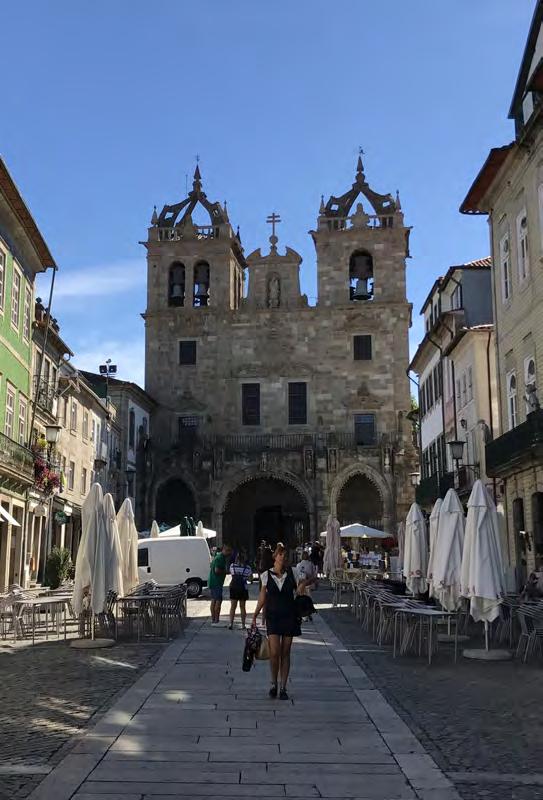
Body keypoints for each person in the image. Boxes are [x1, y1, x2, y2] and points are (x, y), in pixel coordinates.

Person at [251, 542, 315, 700]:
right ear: (275, 557)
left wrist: (303, 585)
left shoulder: (293, 572)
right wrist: (255, 615)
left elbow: (311, 579)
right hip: (273, 616)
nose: (283, 557)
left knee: (285, 653)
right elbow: (262, 597)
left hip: (289, 616)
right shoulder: (266, 575)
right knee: (274, 653)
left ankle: (284, 687)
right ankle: (273, 683)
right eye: (280, 554)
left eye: (285, 555)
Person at [208, 543, 232, 625]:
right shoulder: (220, 558)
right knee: (218, 601)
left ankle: (214, 620)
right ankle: (216, 620)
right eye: (228, 551)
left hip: (214, 581)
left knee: (214, 600)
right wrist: (225, 572)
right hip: (216, 582)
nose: (230, 553)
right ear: (224, 550)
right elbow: (217, 570)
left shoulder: (218, 556)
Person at [229, 551, 252, 629]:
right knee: (242, 607)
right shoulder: (248, 568)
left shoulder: (232, 566)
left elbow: (232, 574)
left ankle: (231, 624)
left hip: (234, 588)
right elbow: (250, 579)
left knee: (233, 607)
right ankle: (243, 625)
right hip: (243, 589)